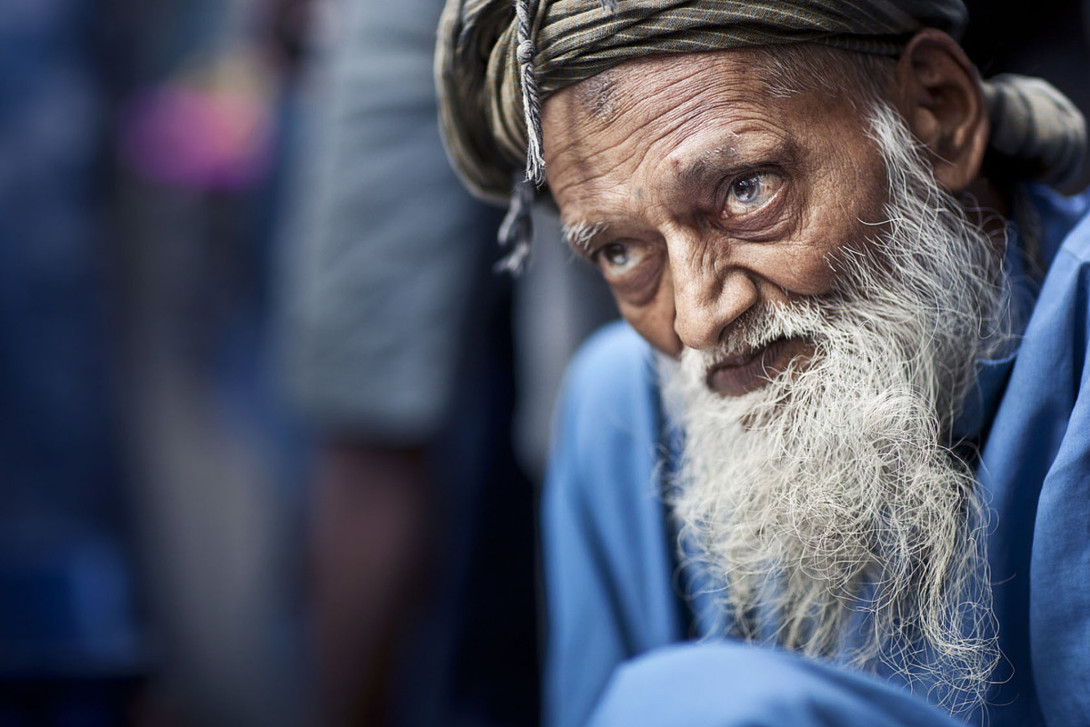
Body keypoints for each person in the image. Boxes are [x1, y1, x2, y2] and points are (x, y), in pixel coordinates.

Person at [435, 1, 1090, 725]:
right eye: (620, 252)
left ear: (936, 113)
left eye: (746, 189)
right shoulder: (622, 413)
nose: (696, 317)